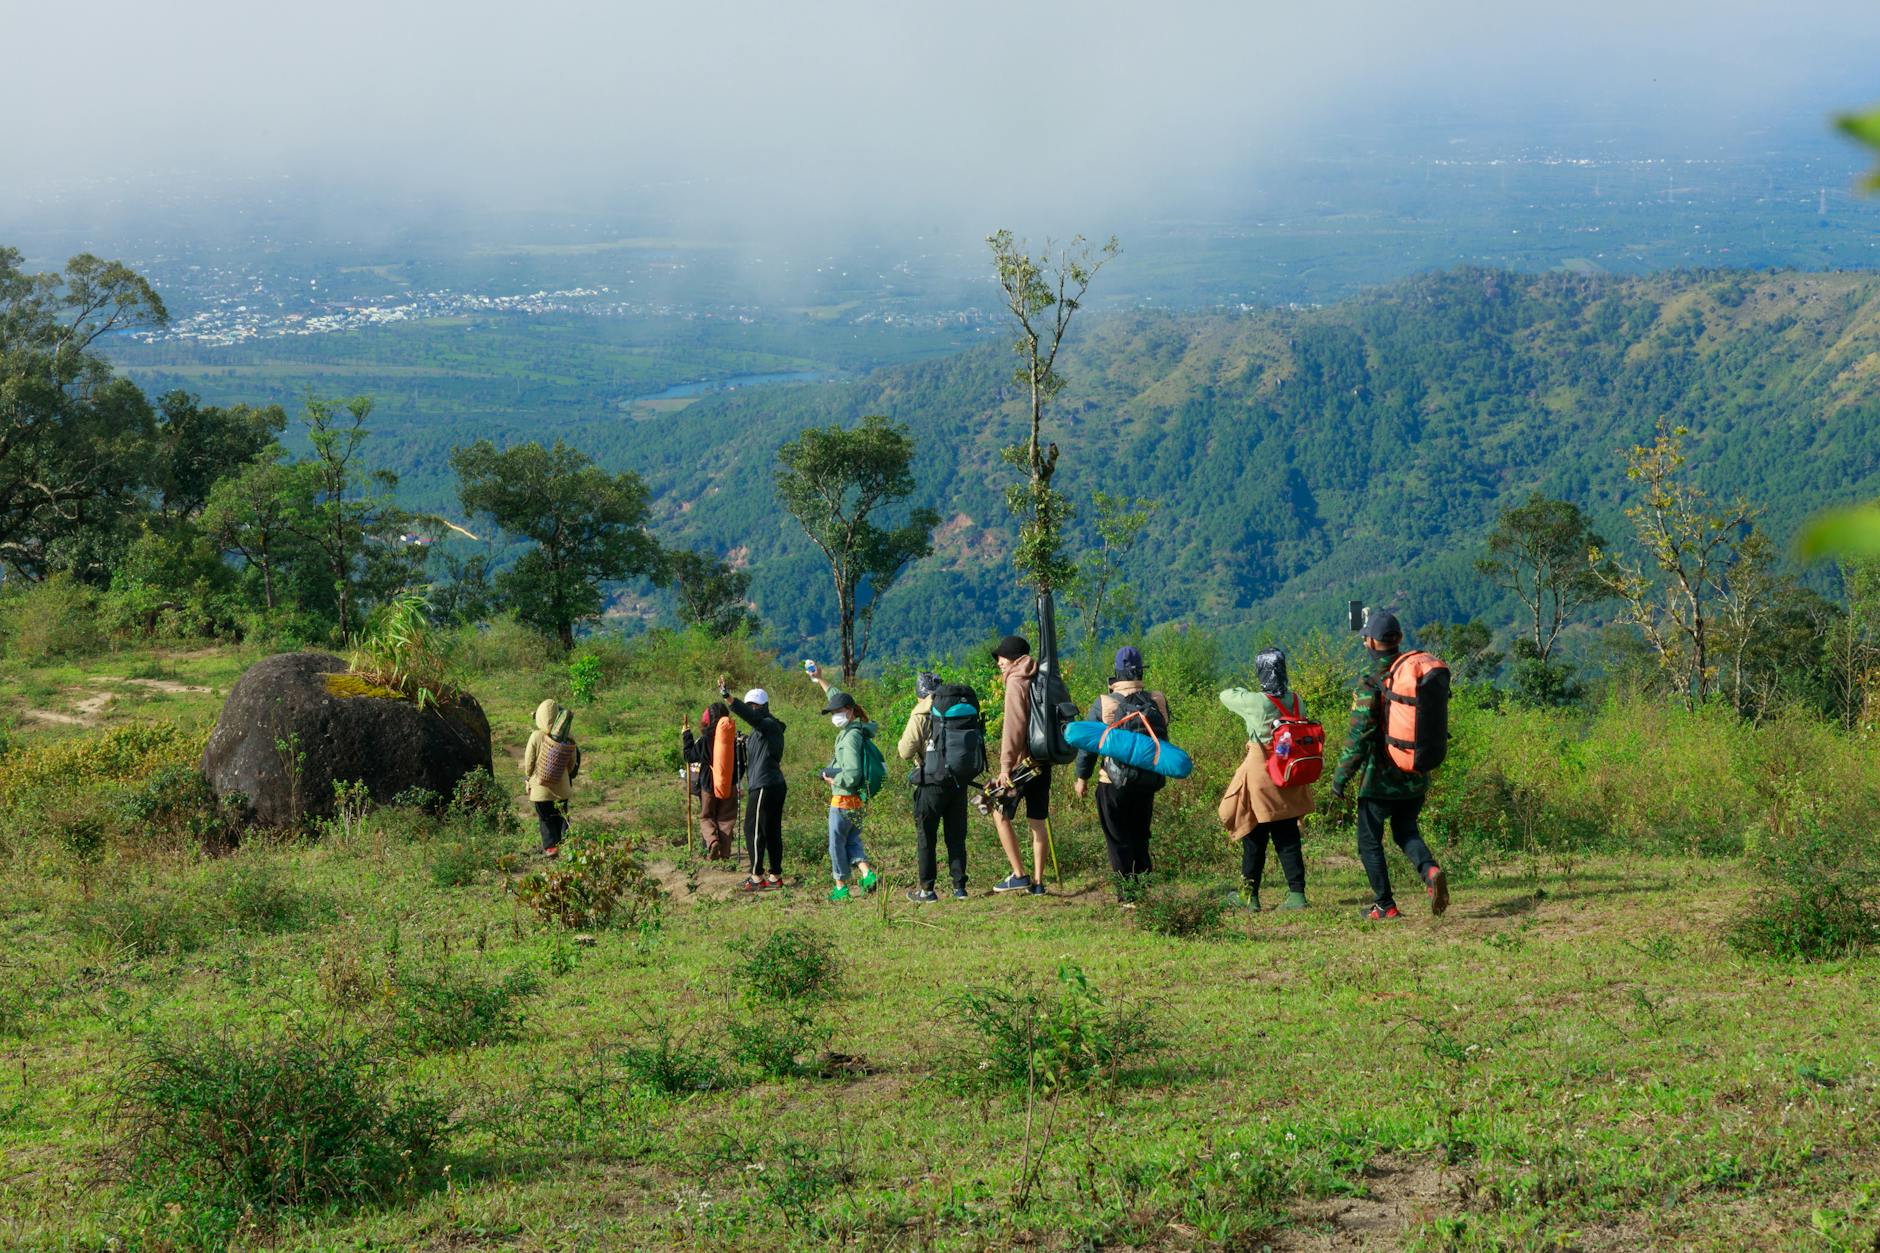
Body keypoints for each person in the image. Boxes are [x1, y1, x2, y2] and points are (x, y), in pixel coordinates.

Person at [1330, 610, 1451, 920]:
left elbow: (1359, 736)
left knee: (1369, 841)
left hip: (1379, 780)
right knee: (1406, 830)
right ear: (1397, 639)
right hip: (1415, 773)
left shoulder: (1372, 681)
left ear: (1371, 642)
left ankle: (1385, 904)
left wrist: (1340, 778)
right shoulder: (1412, 674)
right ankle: (1430, 870)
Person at [1219, 647, 1314, 911]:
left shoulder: (1256, 702)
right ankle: (1297, 896)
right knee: (1288, 836)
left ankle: (1250, 897)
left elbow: (1225, 695)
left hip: (1261, 775)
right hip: (1288, 773)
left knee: (1253, 835)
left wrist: (1244, 689)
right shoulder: (1296, 700)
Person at [1074, 646, 1169, 897]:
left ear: (1116, 673)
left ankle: (1127, 894)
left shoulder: (1104, 702)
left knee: (1117, 838)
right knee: (1140, 834)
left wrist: (1082, 777)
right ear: (1140, 670)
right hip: (1148, 779)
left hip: (1112, 782)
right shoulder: (1157, 700)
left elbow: (1089, 744)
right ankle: (1144, 891)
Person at [897, 670, 972, 902]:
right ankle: (960, 888)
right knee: (956, 836)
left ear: (920, 693)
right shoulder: (954, 708)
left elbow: (905, 751)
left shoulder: (920, 714)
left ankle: (927, 890)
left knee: (927, 836)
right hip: (958, 781)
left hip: (931, 783)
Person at [809, 682, 881, 901]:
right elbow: (838, 696)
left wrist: (834, 779)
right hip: (857, 800)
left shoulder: (849, 737)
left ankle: (840, 887)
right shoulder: (859, 730)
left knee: (836, 843)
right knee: (852, 840)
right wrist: (820, 680)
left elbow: (852, 773)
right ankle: (867, 875)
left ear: (849, 711)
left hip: (843, 799)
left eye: (838, 711)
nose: (835, 716)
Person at [989, 634, 1050, 895]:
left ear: (1013, 658)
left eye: (1001, 657)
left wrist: (1005, 767)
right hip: (1043, 759)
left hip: (1022, 764)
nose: (999, 662)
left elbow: (1013, 726)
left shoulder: (1016, 681)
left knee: (996, 808)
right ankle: (1038, 883)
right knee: (1038, 820)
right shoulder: (1040, 675)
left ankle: (1019, 874)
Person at [723, 676, 787, 892]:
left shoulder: (767, 724)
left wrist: (729, 699)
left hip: (764, 785)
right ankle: (775, 875)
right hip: (771, 784)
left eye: (754, 706)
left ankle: (757, 876)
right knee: (770, 830)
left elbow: (753, 719)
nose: (751, 709)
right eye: (749, 705)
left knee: (753, 830)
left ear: (763, 707)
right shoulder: (764, 729)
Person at [521, 698, 581, 857]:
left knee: (545, 817)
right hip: (562, 787)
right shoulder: (567, 735)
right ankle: (566, 844)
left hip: (541, 789)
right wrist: (566, 774)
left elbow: (529, 761)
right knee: (562, 815)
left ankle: (550, 847)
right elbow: (573, 761)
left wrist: (528, 776)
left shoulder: (535, 736)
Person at [681, 702, 740, 861]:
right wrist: (736, 781)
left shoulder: (705, 739)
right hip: (730, 784)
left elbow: (689, 756)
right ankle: (725, 855)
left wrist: (687, 735)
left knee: (707, 817)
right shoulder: (733, 739)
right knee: (726, 819)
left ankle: (712, 841)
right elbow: (742, 762)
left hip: (708, 784)